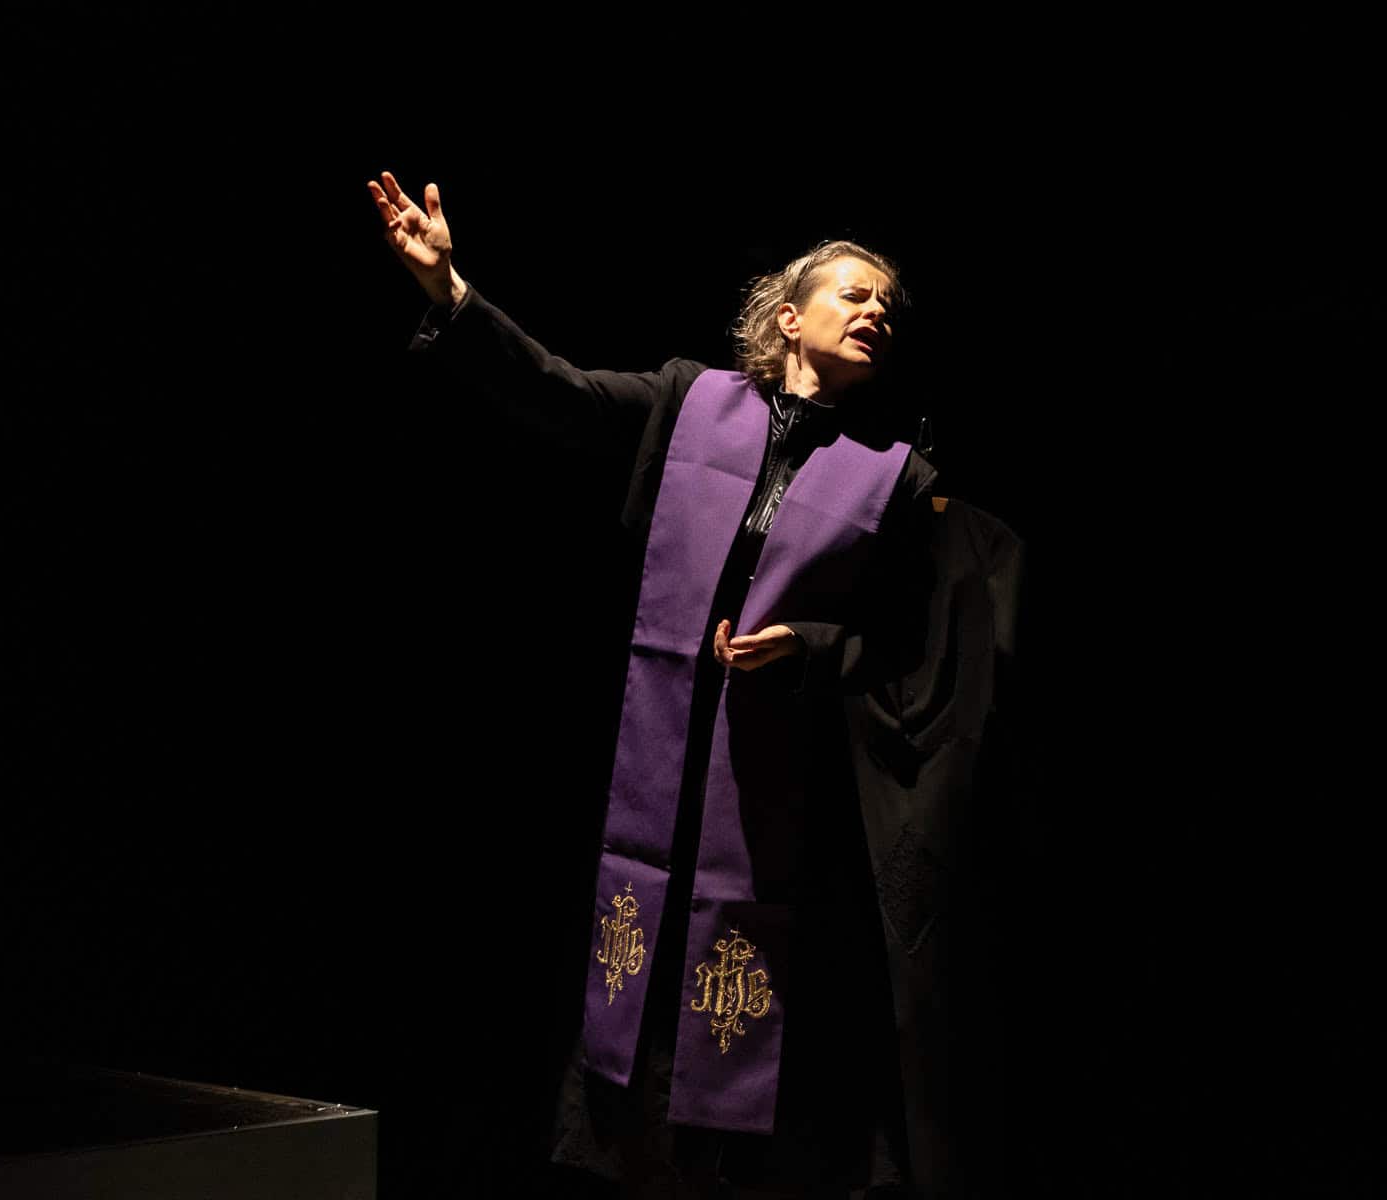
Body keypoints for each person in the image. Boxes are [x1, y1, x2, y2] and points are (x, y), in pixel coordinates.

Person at [370, 171, 1018, 1198]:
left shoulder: (896, 476)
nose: (875, 312)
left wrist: (807, 647)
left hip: (787, 811)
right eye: (853, 294)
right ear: (788, 316)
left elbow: (915, 647)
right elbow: (558, 391)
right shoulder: (690, 402)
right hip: (657, 775)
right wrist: (450, 290)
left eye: (887, 306)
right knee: (640, 1017)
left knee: (763, 1064)